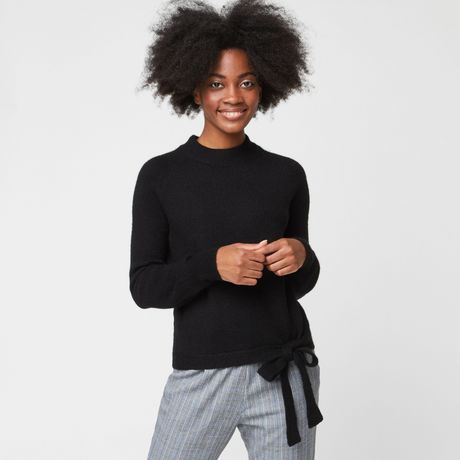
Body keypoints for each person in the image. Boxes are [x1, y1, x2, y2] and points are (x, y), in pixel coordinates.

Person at [129, 0, 323, 458]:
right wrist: (212, 265)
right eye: (217, 83)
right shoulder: (161, 176)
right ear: (196, 90)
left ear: (264, 87)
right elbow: (144, 286)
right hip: (203, 373)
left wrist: (301, 255)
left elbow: (299, 282)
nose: (233, 96)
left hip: (283, 368)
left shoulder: (286, 174)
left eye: (246, 82)